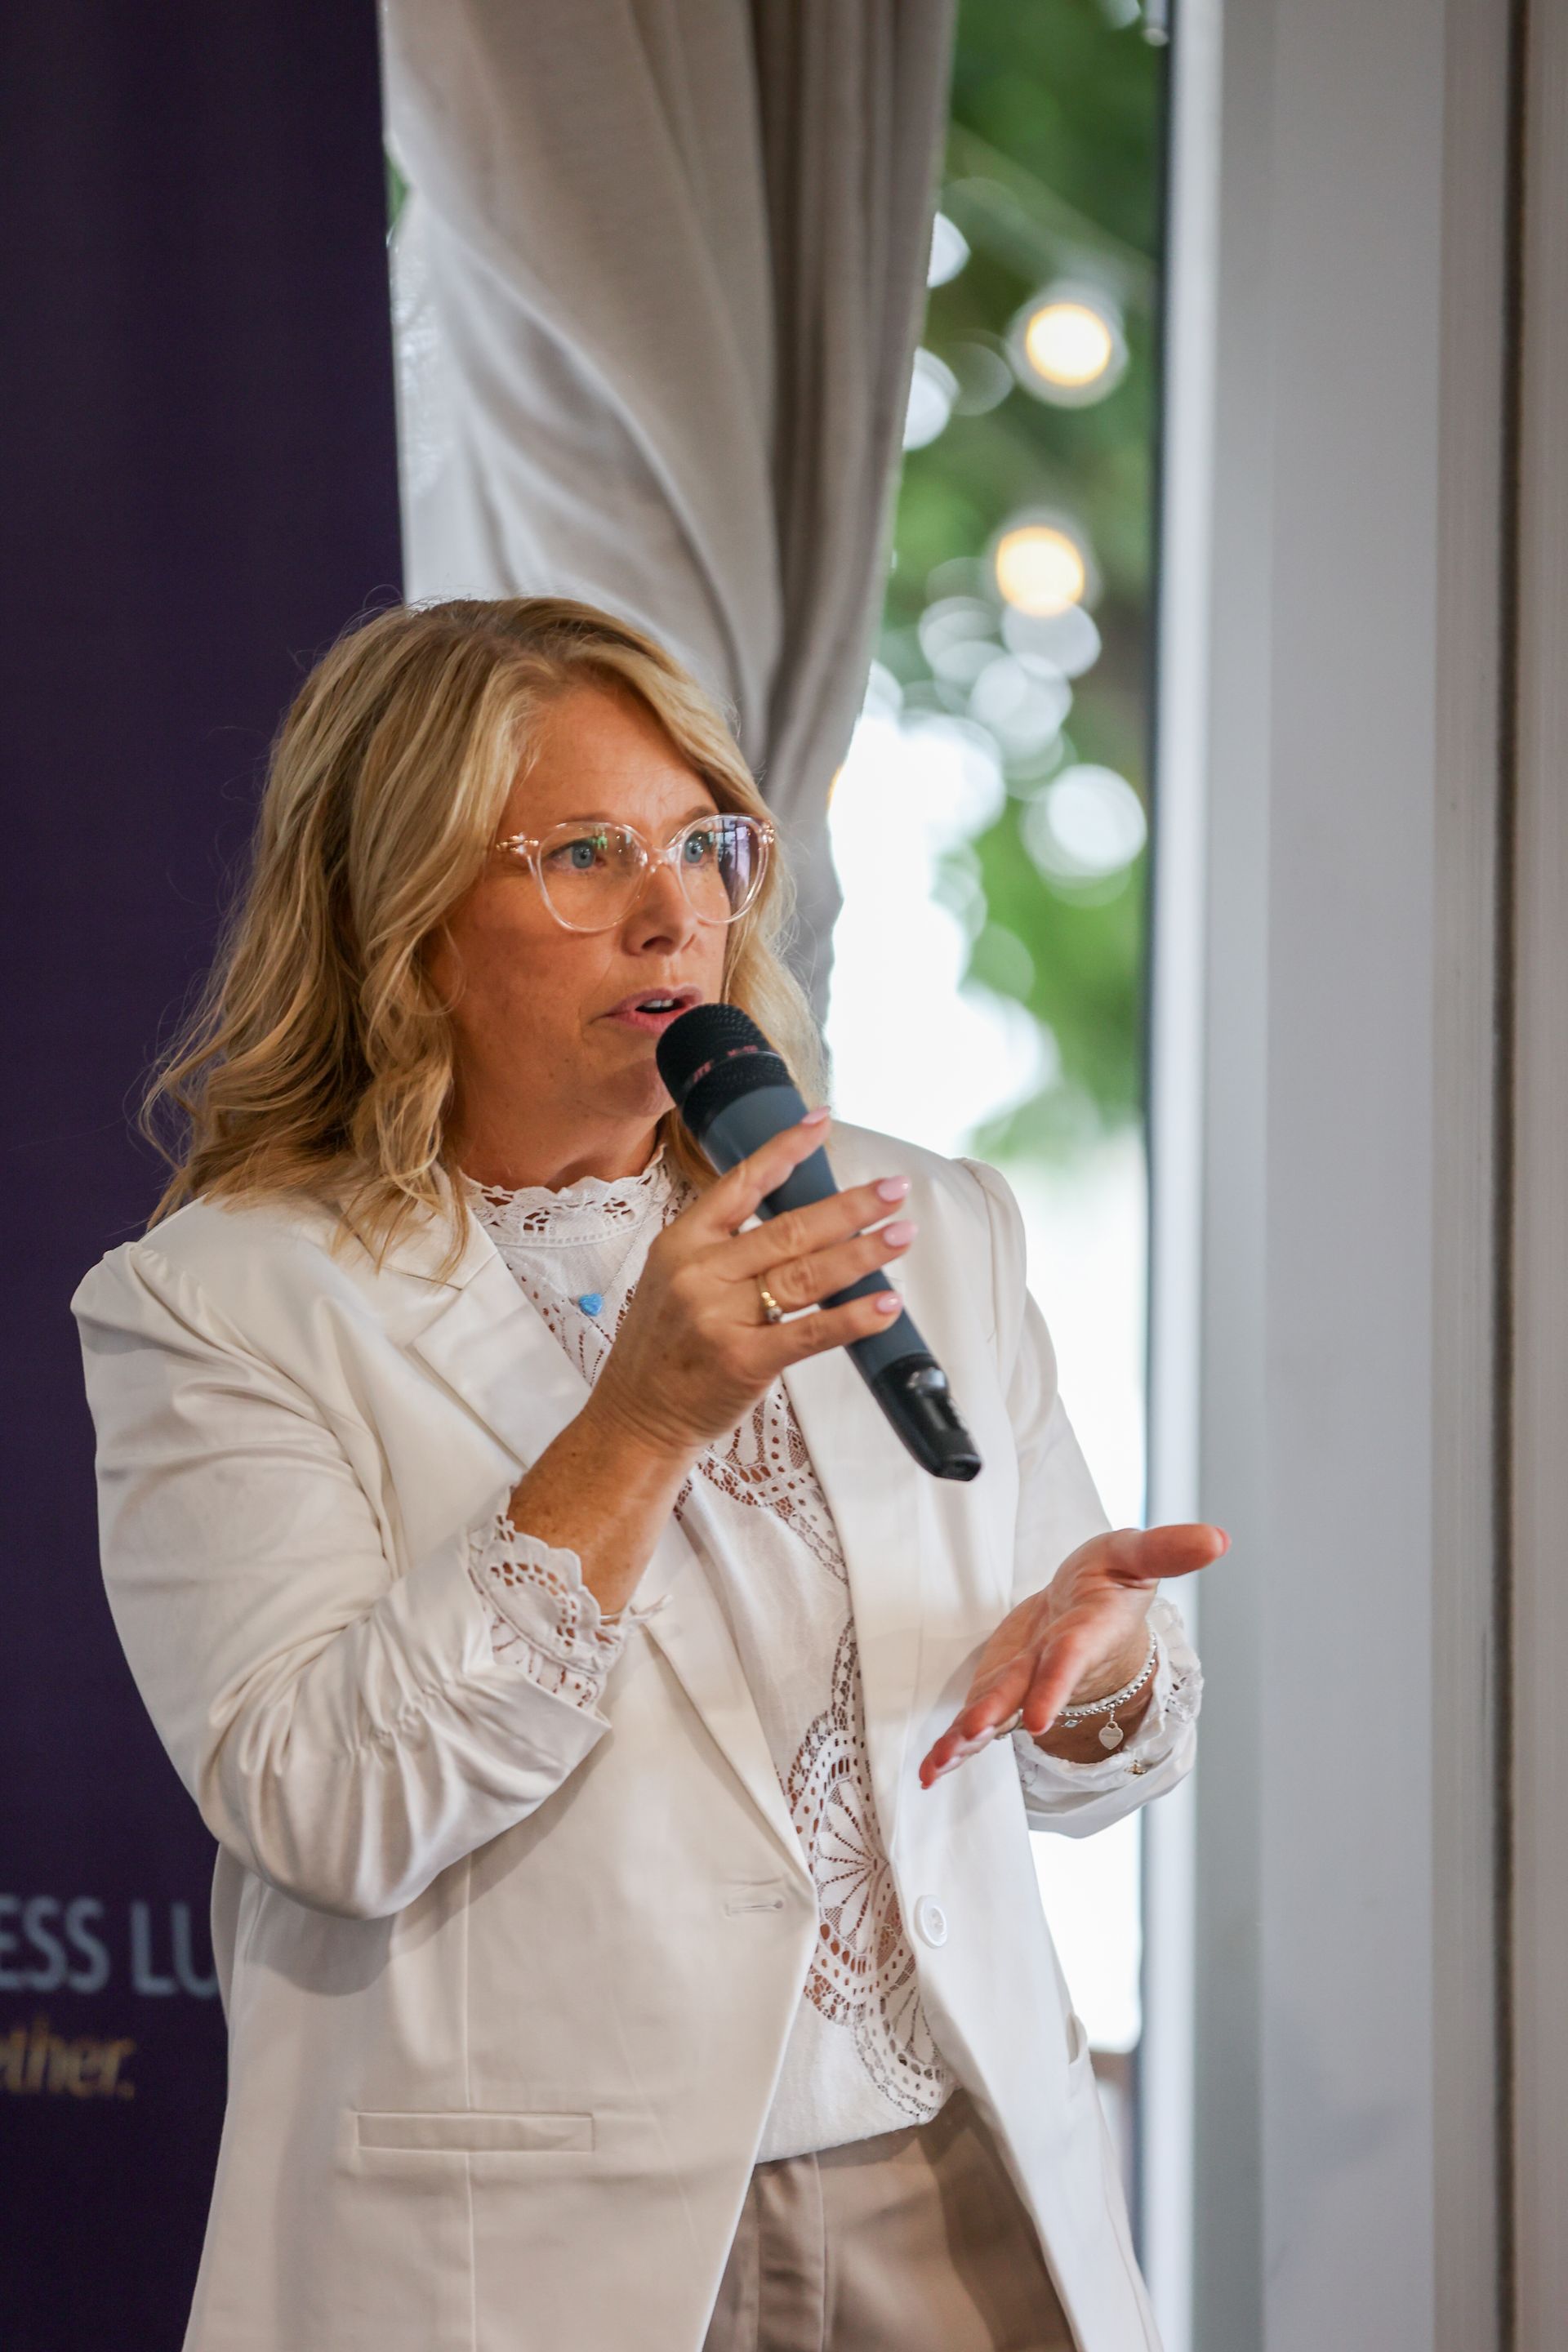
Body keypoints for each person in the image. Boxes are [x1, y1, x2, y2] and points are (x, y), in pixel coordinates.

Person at [72, 597, 1223, 2352]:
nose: (673, 905)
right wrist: (638, 1425)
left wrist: (1105, 1666)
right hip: (529, 2257)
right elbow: (326, 1808)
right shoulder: (223, 1300)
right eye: (587, 851)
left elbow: (1080, 1770)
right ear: (406, 909)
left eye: (706, 841)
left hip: (963, 2193)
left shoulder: (934, 1225)